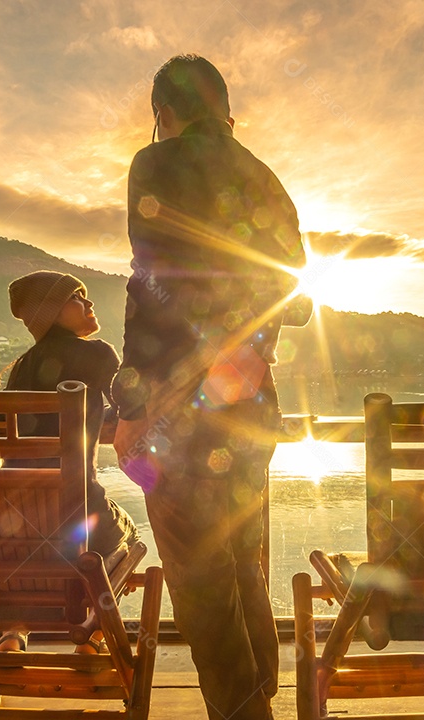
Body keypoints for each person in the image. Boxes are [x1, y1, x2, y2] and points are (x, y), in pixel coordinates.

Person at [112, 54, 307, 720]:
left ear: (164, 114)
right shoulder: (265, 177)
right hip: (252, 410)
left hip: (179, 414)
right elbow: (294, 292)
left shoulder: (156, 163)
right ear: (227, 112)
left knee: (200, 578)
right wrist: (249, 348)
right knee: (238, 556)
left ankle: (242, 711)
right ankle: (262, 695)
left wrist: (133, 407)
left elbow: (151, 287)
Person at [0, 270, 139, 655]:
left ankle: (13, 631)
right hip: (77, 511)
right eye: (78, 297)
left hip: (15, 515)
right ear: (54, 312)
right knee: (129, 538)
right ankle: (92, 634)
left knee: (37, 548)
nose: (89, 303)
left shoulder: (21, 369)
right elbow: (132, 406)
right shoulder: (97, 355)